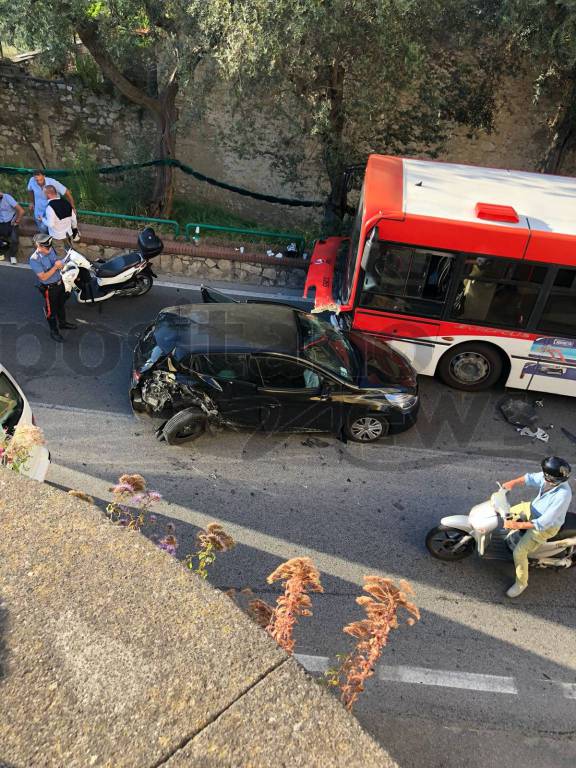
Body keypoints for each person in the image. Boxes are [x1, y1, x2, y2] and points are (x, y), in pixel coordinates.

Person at [502, 456, 572, 598]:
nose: (543, 475)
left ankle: (521, 583)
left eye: (545, 474)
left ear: (552, 478)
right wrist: (512, 483)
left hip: (544, 528)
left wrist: (517, 524)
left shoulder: (563, 495)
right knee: (507, 512)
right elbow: (530, 478)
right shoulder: (550, 478)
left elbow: (543, 523)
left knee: (519, 553)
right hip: (532, 509)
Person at [28, 232, 77, 342]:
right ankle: (54, 331)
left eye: (50, 246)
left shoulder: (51, 250)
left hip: (60, 283)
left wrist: (63, 264)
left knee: (61, 305)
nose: (49, 249)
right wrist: (55, 267)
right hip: (49, 288)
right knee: (51, 311)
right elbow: (43, 277)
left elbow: (58, 263)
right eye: (46, 247)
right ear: (38, 246)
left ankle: (63, 324)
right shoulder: (34, 259)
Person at [42, 184, 80, 256]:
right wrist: (74, 229)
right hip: (68, 233)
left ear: (48, 194)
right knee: (72, 253)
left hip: (57, 236)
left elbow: (51, 224)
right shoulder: (66, 203)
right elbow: (73, 219)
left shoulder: (50, 207)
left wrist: (43, 219)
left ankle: (62, 267)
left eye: (44, 194)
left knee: (61, 255)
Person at [0, 191, 24, 262]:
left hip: (11, 222)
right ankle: (2, 252)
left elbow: (21, 211)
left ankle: (12, 255)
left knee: (14, 240)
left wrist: (17, 221)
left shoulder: (7, 197)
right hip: (1, 222)